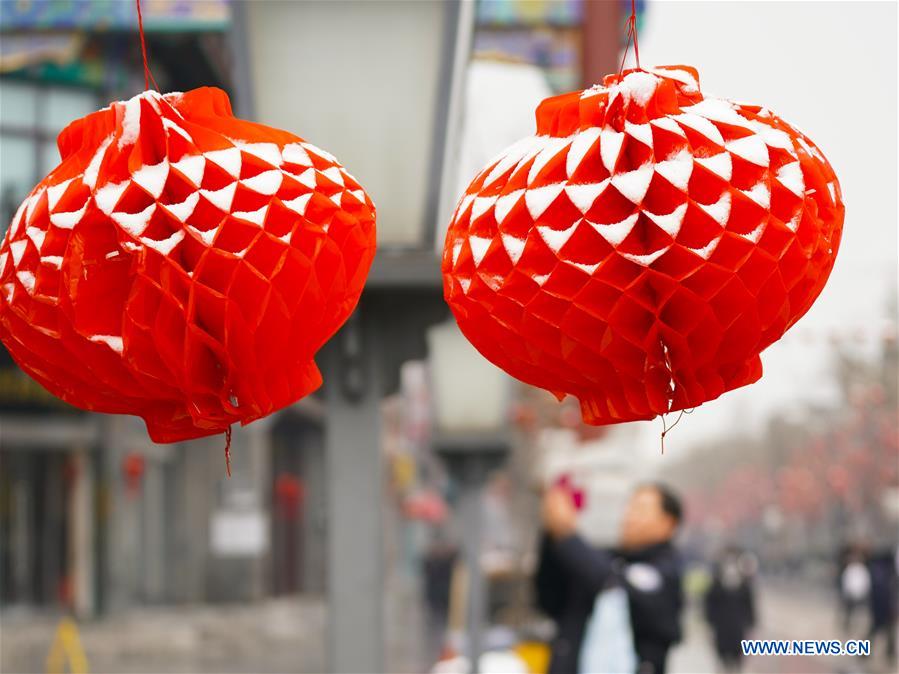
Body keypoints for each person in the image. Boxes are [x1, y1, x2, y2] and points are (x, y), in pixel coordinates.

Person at [535, 483, 685, 674]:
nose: (629, 516)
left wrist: (566, 534)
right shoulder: (609, 560)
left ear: (668, 523)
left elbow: (615, 586)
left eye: (641, 509)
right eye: (629, 507)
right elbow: (550, 597)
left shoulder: (665, 570)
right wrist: (552, 534)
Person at [703, 547, 756, 672]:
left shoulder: (744, 585)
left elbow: (749, 607)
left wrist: (750, 624)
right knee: (723, 661)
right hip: (722, 629)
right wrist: (710, 624)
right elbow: (710, 606)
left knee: (737, 660)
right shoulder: (716, 585)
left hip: (738, 629)